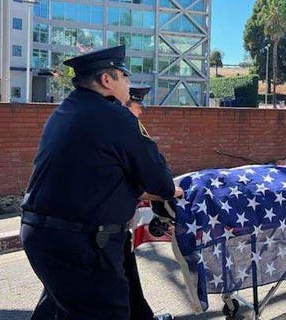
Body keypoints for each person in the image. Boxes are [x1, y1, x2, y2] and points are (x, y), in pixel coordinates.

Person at [20, 45, 182, 320]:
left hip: (46, 235)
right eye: (125, 77)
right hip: (82, 242)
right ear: (108, 80)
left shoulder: (67, 110)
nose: (129, 85)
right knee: (106, 311)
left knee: (65, 309)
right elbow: (158, 179)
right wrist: (168, 189)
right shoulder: (114, 117)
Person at [122, 86, 174, 320]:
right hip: (90, 228)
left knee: (127, 272)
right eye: (138, 105)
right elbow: (152, 177)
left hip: (75, 223)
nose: (142, 111)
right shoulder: (126, 127)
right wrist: (167, 192)